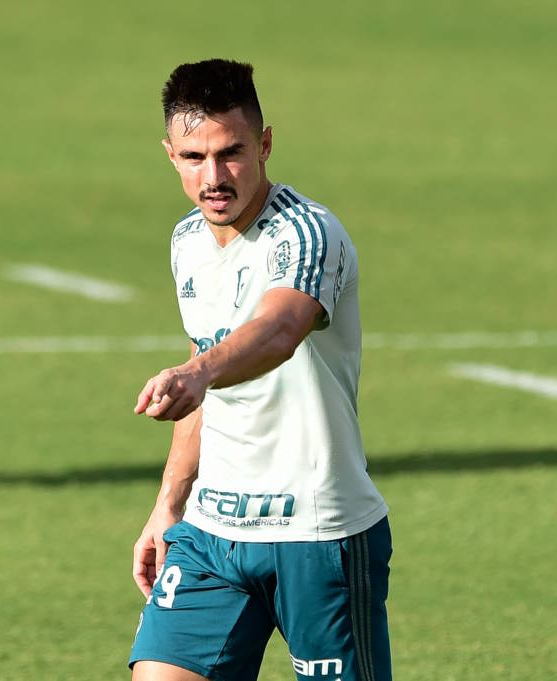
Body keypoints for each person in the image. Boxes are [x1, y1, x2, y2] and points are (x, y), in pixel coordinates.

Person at [129, 58, 391, 681]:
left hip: (317, 532)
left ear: (265, 144)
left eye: (232, 153)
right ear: (170, 154)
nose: (214, 177)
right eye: (194, 157)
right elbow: (204, 376)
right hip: (212, 531)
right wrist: (169, 503)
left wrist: (199, 372)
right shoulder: (187, 241)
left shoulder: (306, 233)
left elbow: (279, 330)